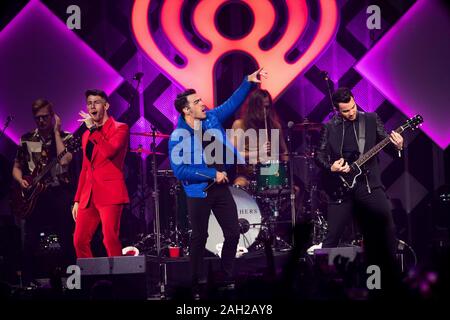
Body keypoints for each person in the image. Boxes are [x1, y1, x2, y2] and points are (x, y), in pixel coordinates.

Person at [168, 68, 266, 297]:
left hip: (221, 188)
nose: (203, 103)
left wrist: (247, 81)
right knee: (199, 237)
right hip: (198, 191)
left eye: (201, 100)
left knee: (233, 232)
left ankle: (226, 275)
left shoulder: (210, 118)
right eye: (197, 102)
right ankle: (196, 281)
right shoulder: (177, 137)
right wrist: (212, 174)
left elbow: (230, 104)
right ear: (186, 109)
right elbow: (181, 170)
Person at [315, 87, 403, 290]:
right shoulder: (330, 127)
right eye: (345, 111)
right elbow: (318, 156)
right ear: (337, 110)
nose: (351, 112)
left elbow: (386, 143)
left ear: (355, 101)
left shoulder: (371, 120)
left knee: (387, 230)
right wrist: (331, 166)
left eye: (353, 107)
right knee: (331, 239)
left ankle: (381, 282)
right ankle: (322, 287)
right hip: (341, 189)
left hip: (369, 185)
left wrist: (397, 145)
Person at [12, 98, 74, 279]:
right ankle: (30, 282)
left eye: (45, 117)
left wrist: (56, 132)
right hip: (34, 197)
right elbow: (16, 166)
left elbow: (64, 161)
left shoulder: (66, 138)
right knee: (30, 241)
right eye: (37, 118)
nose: (41, 121)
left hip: (58, 194)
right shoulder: (26, 139)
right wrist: (21, 180)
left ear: (52, 116)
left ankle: (73, 284)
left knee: (67, 239)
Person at [72, 89, 129, 258]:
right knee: (79, 240)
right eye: (89, 103)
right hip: (88, 195)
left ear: (106, 105)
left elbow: (109, 151)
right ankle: (90, 278)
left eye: (96, 102)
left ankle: (118, 280)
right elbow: (85, 168)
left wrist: (93, 130)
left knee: (110, 239)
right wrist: (77, 199)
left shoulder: (120, 128)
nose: (92, 106)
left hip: (110, 192)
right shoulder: (86, 136)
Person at [231, 88, 288, 188]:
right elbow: (233, 154)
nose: (265, 111)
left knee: (295, 191)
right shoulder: (239, 125)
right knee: (238, 186)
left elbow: (284, 152)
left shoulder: (274, 126)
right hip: (247, 175)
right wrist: (259, 152)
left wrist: (284, 170)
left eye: (267, 107)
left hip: (270, 173)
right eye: (261, 108)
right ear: (253, 108)